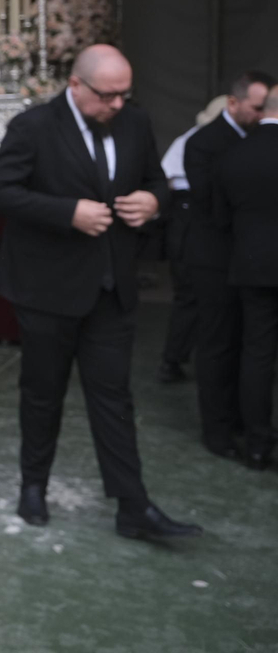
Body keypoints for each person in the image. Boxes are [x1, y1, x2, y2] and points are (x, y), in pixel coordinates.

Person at [0, 44, 199, 539]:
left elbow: (156, 182)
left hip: (111, 286)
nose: (118, 104)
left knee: (114, 397)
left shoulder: (134, 122)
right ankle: (33, 487)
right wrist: (68, 212)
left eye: (125, 94)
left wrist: (154, 200)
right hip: (46, 287)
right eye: (108, 96)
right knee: (42, 394)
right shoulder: (34, 126)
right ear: (76, 85)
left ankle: (133, 505)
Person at [184, 70, 272, 459]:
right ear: (233, 103)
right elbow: (211, 210)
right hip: (215, 262)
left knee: (246, 346)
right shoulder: (203, 143)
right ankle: (216, 430)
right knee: (217, 345)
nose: (261, 114)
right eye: (256, 107)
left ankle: (242, 420)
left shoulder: (250, 142)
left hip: (247, 261)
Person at [213, 88, 278, 469]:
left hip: (251, 266)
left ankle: (256, 442)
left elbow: (221, 219)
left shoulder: (233, 154)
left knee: (257, 353)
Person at [156, 96, 230, 383]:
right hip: (187, 221)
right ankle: (173, 359)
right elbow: (169, 180)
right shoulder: (194, 141)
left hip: (193, 221)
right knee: (189, 295)